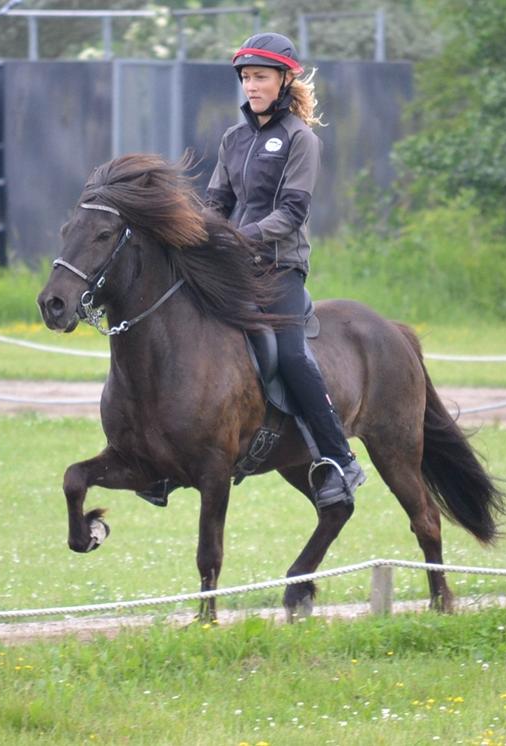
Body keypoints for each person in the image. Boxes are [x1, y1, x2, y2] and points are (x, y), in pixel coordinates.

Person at [138, 32, 365, 510]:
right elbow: (218, 202)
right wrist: (193, 233)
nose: (251, 85)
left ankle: (339, 459)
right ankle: (162, 461)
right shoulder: (234, 138)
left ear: (284, 80)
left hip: (281, 267)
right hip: (235, 266)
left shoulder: (302, 140)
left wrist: (241, 238)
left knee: (289, 355)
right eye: (246, 77)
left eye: (260, 77)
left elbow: (291, 213)